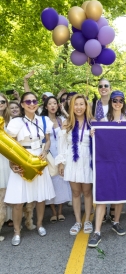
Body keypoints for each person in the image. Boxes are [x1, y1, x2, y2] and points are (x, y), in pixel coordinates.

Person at [4, 92, 55, 246]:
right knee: (18, 201)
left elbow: (47, 140)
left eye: (34, 101)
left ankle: (39, 224)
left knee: (40, 197)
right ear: (22, 104)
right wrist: (12, 163)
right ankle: (17, 232)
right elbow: (10, 146)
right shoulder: (15, 122)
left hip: (39, 159)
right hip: (23, 160)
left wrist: (45, 152)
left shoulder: (44, 120)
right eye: (28, 101)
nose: (32, 104)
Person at [88, 91, 126, 248]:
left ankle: (116, 222)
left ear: (123, 103)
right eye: (115, 100)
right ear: (111, 102)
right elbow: (97, 140)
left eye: (120, 100)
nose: (118, 103)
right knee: (103, 197)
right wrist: (93, 134)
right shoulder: (103, 121)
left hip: (124, 163)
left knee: (120, 195)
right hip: (107, 163)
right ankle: (97, 231)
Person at [56, 94, 94, 236]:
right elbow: (62, 145)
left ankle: (88, 220)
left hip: (86, 160)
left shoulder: (92, 122)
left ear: (86, 106)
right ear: (72, 107)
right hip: (72, 160)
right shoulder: (67, 123)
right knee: (76, 192)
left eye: (81, 104)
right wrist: (61, 163)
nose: (79, 107)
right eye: (76, 104)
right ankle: (78, 221)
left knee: (87, 192)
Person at [41, 96, 72, 223]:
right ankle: (53, 211)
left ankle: (60, 211)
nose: (53, 106)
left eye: (55, 103)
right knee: (50, 180)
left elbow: (72, 122)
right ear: (46, 106)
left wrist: (64, 111)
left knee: (61, 180)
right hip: (48, 153)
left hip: (61, 152)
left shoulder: (62, 120)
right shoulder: (42, 121)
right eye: (50, 103)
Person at [0, 93, 13, 227]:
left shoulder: (11, 121)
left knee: (9, 190)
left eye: (3, 101)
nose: (0, 104)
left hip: (8, 158)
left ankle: (9, 218)